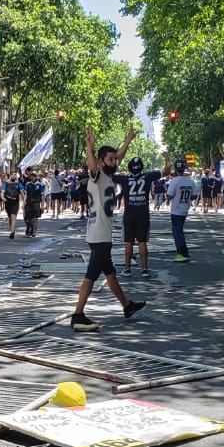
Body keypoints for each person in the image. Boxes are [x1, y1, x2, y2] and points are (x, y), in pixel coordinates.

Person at [69, 125, 146, 333]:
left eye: (115, 159)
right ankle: (77, 314)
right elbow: (92, 165)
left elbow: (117, 154)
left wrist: (128, 140)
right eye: (110, 160)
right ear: (102, 161)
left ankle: (127, 306)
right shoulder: (97, 176)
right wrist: (89, 147)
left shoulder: (109, 176)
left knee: (110, 273)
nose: (115, 161)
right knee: (91, 275)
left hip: (101, 234)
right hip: (98, 235)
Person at [118, 156, 165, 275]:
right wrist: (167, 159)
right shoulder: (147, 176)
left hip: (129, 213)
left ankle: (127, 268)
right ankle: (144, 269)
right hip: (143, 213)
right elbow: (167, 171)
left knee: (128, 241)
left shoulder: (124, 179)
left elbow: (107, 175)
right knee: (142, 241)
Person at [165, 159, 197, 263]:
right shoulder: (190, 180)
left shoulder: (175, 180)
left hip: (176, 209)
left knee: (177, 231)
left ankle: (182, 252)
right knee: (179, 230)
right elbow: (194, 196)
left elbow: (169, 195)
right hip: (185, 207)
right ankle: (183, 251)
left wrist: (169, 198)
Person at [23, 170, 46, 236]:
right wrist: (24, 202)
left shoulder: (40, 185)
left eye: (34, 175)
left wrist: (42, 205)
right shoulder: (28, 184)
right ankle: (29, 226)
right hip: (29, 202)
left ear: (36, 177)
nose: (32, 177)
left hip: (36, 202)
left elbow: (42, 195)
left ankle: (34, 231)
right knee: (26, 217)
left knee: (35, 218)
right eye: (32, 175)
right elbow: (26, 194)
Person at [2, 171, 23, 239]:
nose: (13, 176)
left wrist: (24, 201)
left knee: (13, 216)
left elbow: (22, 193)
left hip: (15, 202)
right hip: (8, 201)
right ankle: (12, 229)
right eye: (12, 174)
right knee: (10, 217)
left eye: (15, 174)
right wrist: (3, 197)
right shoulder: (6, 183)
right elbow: (2, 192)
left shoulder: (18, 184)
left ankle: (12, 232)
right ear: (10, 175)